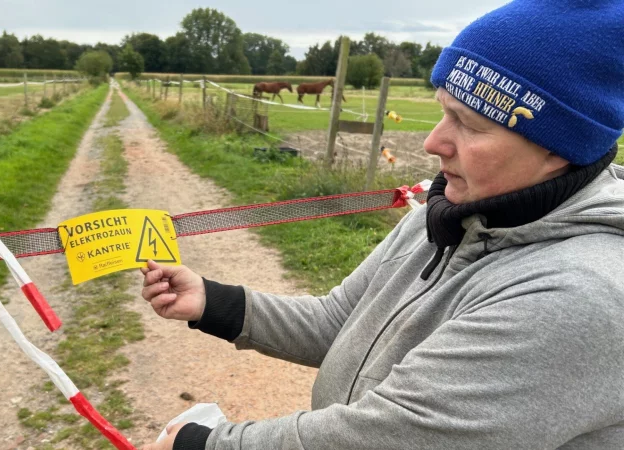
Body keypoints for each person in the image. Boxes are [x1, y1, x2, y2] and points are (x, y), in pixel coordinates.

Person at [141, 0, 624, 448]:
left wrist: (206, 444)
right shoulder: (452, 215)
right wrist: (213, 302)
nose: (434, 142)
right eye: (441, 111)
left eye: (470, 124)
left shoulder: (576, 294)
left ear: (561, 146)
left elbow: (397, 434)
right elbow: (340, 320)